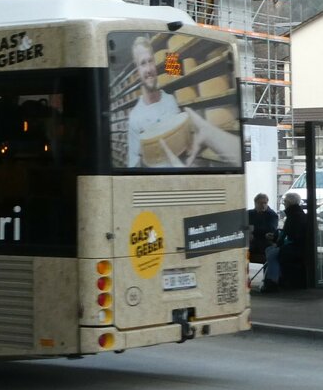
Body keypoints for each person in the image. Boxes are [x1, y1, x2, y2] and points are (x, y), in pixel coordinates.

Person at [126, 35, 241, 168]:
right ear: (137, 69)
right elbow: (132, 165)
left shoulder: (170, 100)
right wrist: (146, 155)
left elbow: (183, 144)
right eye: (143, 63)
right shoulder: (135, 117)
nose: (148, 68)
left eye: (150, 61)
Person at [260, 192, 310, 293]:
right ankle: (271, 280)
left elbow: (287, 235)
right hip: (299, 246)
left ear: (289, 202)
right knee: (270, 251)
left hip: (296, 248)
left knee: (272, 253)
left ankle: (272, 281)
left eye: (285, 201)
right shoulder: (298, 214)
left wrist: (277, 243)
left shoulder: (293, 216)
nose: (284, 203)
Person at [248, 193, 278, 266]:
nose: (263, 205)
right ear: (255, 203)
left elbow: (271, 229)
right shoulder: (249, 213)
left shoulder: (271, 214)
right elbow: (242, 226)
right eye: (260, 203)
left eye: (265, 203)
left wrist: (253, 230)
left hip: (264, 241)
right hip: (251, 240)